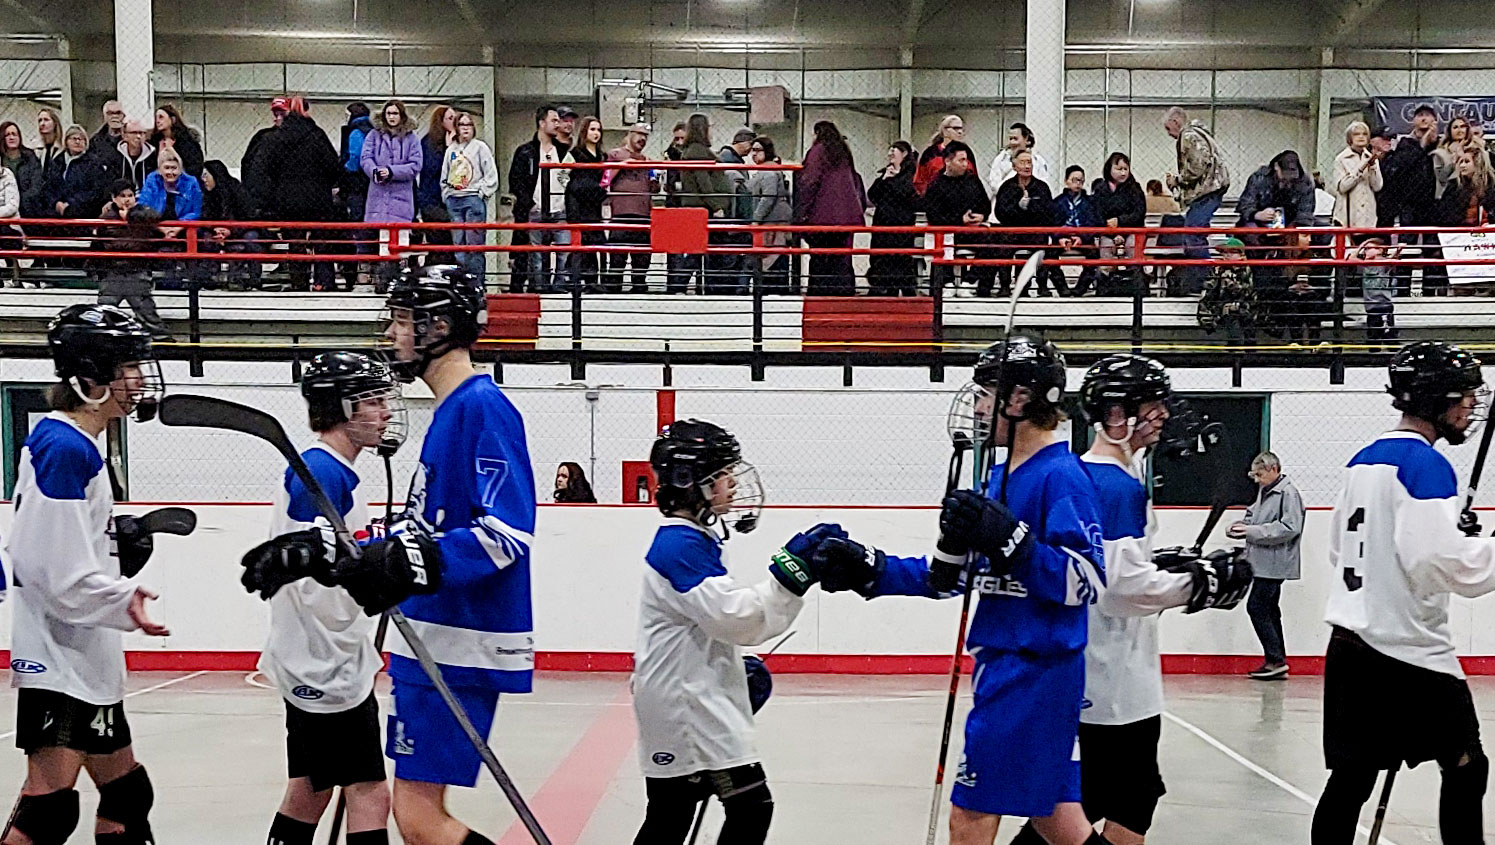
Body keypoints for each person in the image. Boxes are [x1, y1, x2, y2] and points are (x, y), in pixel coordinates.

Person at [242, 264, 532, 845]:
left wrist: (409, 561)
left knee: (418, 819)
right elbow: (422, 535)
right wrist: (322, 552)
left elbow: (507, 534)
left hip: (458, 637)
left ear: (441, 326)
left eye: (404, 320)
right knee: (411, 813)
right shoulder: (449, 413)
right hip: (433, 639)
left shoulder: (482, 408)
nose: (393, 333)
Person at [810, 336, 1112, 845]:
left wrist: (1015, 543)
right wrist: (874, 570)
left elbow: (1086, 579)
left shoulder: (1062, 477)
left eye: (984, 392)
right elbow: (959, 575)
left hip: (1033, 669)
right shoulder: (996, 476)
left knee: (969, 817)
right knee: (1058, 820)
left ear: (1019, 400)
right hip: (1006, 662)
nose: (975, 405)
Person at [1006, 354, 1252, 845]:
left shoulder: (1096, 475)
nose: (1162, 414)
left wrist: (1161, 564)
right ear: (1116, 414)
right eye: (1151, 403)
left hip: (1106, 668)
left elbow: (1109, 565)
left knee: (1132, 797)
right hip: (1112, 677)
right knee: (1098, 798)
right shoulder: (1115, 485)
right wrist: (1197, 585)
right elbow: (1119, 587)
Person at [631, 420, 855, 845]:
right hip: (685, 708)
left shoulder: (690, 540)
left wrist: (728, 675)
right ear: (690, 482)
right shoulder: (681, 547)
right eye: (722, 474)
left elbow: (706, 627)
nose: (733, 482)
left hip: (684, 699)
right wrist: (792, 574)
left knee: (673, 811)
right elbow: (737, 619)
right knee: (747, 807)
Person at [1312, 341, 1495, 845]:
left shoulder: (1362, 460)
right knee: (1466, 765)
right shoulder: (1428, 467)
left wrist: (1449, 534)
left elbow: (1340, 550)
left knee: (1350, 780)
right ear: (1437, 399)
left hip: (1350, 644)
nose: (1469, 408)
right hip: (1408, 649)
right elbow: (1440, 563)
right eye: (1463, 397)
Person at [2, 303, 169, 845]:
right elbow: (50, 570)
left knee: (127, 795)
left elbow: (59, 543)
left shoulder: (72, 442)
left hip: (80, 653)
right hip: (59, 657)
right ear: (91, 378)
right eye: (128, 366)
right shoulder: (66, 448)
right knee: (47, 811)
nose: (140, 378)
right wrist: (123, 598)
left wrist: (114, 542)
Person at [249, 351, 404, 845]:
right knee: (370, 793)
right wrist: (368, 583)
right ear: (341, 406)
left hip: (322, 657)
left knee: (310, 791)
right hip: (323, 663)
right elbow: (307, 578)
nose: (384, 411)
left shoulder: (334, 473)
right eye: (372, 400)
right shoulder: (320, 475)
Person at [1227, 451, 1304, 680]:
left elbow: (1290, 527)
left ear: (1274, 469)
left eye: (1260, 475)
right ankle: (1276, 659)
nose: (1258, 480)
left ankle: (1276, 659)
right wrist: (1241, 526)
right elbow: (1253, 516)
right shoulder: (1266, 492)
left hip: (1275, 563)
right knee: (1270, 610)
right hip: (1262, 561)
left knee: (1257, 607)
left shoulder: (1288, 493)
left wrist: (1251, 531)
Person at [255, 97, 343, 292]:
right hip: (317, 198)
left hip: (287, 200)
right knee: (322, 242)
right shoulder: (317, 135)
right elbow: (333, 167)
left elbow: (264, 170)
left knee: (295, 243)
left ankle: (299, 284)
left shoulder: (275, 138)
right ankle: (324, 282)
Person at [1236, 150, 1317, 340]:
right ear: (1276, 168)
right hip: (1259, 226)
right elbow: (1244, 206)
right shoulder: (1258, 178)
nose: (1288, 180)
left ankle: (1299, 275)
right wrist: (1258, 214)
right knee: (1248, 231)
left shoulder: (1304, 182)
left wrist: (1291, 230)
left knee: (1314, 235)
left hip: (1289, 228)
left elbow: (1306, 215)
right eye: (1285, 174)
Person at [794, 120, 865, 296]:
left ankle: (821, 294)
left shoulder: (818, 152)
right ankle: (843, 293)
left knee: (820, 258)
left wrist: (801, 212)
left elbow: (810, 182)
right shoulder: (844, 153)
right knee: (842, 258)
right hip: (846, 217)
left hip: (822, 216)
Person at [1380, 105, 1445, 296]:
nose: (1424, 120)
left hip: (1434, 205)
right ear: (1413, 120)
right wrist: (1422, 144)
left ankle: (1430, 292)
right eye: (1420, 116)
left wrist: (1432, 143)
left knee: (1432, 248)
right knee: (1406, 247)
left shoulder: (1441, 145)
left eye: (1428, 116)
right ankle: (1402, 291)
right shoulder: (1405, 144)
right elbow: (1400, 167)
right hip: (1409, 204)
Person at [1163, 107, 1230, 293]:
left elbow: (1197, 165)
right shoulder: (1201, 134)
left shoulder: (1188, 136)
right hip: (1213, 187)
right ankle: (1202, 276)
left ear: (1176, 122)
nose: (1169, 134)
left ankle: (1206, 278)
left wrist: (1177, 180)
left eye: (1168, 129)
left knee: (1193, 233)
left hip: (1207, 190)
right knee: (1195, 231)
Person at [94, 185, 173, 339]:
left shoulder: (144, 214)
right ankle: (101, 340)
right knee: (105, 311)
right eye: (122, 196)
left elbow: (155, 219)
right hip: (113, 272)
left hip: (137, 270)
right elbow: (100, 241)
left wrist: (132, 216)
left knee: (146, 312)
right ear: (114, 198)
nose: (127, 199)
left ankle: (164, 341)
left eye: (130, 195)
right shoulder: (107, 218)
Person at [361, 99, 424, 289]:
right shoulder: (373, 136)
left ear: (401, 115)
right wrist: (375, 172)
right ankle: (383, 282)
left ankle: (399, 283)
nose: (392, 117)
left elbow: (415, 165)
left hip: (401, 199)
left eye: (395, 113)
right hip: (379, 196)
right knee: (382, 241)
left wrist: (392, 172)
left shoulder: (412, 139)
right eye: (389, 113)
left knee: (401, 242)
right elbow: (365, 158)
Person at [507, 105, 569, 293]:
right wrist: (529, 203)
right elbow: (515, 181)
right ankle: (538, 287)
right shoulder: (525, 151)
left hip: (559, 209)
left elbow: (568, 177)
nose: (557, 124)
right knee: (535, 254)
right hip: (534, 210)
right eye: (554, 120)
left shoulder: (564, 151)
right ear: (542, 123)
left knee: (563, 251)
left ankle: (559, 285)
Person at [922, 140, 994, 298]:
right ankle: (946, 282)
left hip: (971, 230)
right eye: (961, 160)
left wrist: (980, 216)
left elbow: (985, 205)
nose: (965, 164)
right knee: (942, 241)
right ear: (948, 161)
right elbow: (934, 215)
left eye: (966, 160)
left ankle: (970, 281)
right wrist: (959, 219)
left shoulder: (972, 180)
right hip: (947, 230)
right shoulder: (936, 185)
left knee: (993, 241)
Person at [670, 113, 731, 295]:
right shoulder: (698, 151)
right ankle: (683, 284)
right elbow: (703, 182)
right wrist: (716, 206)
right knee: (699, 249)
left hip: (697, 206)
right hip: (703, 208)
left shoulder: (693, 150)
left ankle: (683, 284)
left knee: (696, 249)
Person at [441, 111, 498, 282]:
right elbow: (445, 175)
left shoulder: (480, 148)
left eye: (469, 125)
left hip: (473, 198)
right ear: (456, 128)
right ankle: (463, 285)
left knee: (474, 246)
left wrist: (481, 193)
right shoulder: (451, 150)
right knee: (459, 246)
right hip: (454, 199)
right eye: (461, 125)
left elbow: (491, 175)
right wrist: (447, 194)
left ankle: (476, 285)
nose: (465, 128)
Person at [992, 149, 1056, 296]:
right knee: (1003, 245)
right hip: (1012, 230)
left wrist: (1030, 208)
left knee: (1043, 246)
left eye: (1029, 162)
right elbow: (1000, 212)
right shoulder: (1007, 187)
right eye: (1023, 162)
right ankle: (1005, 286)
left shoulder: (1042, 187)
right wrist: (1018, 207)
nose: (1027, 166)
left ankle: (1042, 286)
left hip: (1034, 231)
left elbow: (1048, 212)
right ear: (1014, 167)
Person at [603, 122, 654, 294]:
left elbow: (654, 188)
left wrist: (655, 177)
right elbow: (605, 179)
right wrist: (623, 164)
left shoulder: (647, 160)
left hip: (643, 214)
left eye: (645, 136)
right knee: (617, 257)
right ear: (629, 134)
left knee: (642, 259)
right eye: (639, 134)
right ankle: (613, 289)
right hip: (621, 213)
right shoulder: (615, 154)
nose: (642, 139)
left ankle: (639, 287)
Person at [560, 115, 607, 292]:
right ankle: (574, 277)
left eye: (599, 130)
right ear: (584, 132)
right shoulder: (574, 154)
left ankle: (591, 280)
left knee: (595, 241)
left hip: (593, 203)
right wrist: (573, 189)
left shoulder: (602, 156)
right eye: (592, 129)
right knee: (581, 241)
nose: (596, 133)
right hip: (578, 203)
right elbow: (562, 175)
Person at [1090, 152, 1147, 296]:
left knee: (1132, 247)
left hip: (1131, 230)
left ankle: (1135, 286)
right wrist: (1113, 232)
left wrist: (1121, 225)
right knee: (1106, 250)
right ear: (1109, 169)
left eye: (1125, 169)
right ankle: (1105, 287)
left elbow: (1139, 213)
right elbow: (1097, 215)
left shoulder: (1135, 189)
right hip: (1108, 232)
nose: (1122, 172)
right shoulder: (1101, 189)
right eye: (1118, 169)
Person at [199, 159, 262, 290]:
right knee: (205, 238)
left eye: (206, 175)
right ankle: (209, 278)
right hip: (215, 231)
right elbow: (203, 217)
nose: (203, 179)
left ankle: (251, 279)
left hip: (240, 230)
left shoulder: (237, 191)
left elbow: (250, 218)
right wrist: (216, 229)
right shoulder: (206, 195)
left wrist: (231, 231)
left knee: (250, 239)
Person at [866, 140, 918, 296]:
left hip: (901, 224)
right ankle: (881, 285)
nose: (890, 154)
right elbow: (873, 195)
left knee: (901, 257)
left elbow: (909, 196)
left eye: (894, 151)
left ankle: (903, 286)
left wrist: (893, 180)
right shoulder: (886, 173)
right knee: (880, 255)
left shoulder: (912, 174)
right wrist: (884, 179)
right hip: (882, 223)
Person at [746, 135, 792, 295]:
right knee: (773, 258)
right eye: (752, 150)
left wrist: (756, 219)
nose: (754, 154)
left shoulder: (769, 172)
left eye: (758, 150)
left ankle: (772, 292)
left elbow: (768, 196)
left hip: (773, 222)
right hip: (774, 221)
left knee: (773, 258)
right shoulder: (767, 170)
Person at [1048, 165, 1103, 297]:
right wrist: (1060, 237)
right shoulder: (1057, 202)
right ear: (1066, 181)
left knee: (1094, 254)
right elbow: (1052, 223)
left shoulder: (1090, 203)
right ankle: (1062, 288)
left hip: (1083, 238)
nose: (1078, 184)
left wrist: (1082, 237)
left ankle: (1081, 288)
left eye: (1081, 181)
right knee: (1049, 255)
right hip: (1061, 239)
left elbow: (1093, 223)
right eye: (1074, 180)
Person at [1197, 237, 1257, 346]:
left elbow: (1247, 291)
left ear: (1241, 255)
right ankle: (1236, 352)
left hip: (1245, 305)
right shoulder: (1217, 269)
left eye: (1232, 252)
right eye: (1225, 252)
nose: (1227, 255)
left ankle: (1249, 351)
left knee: (1244, 316)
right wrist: (1218, 277)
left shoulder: (1247, 269)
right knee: (1232, 316)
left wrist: (1230, 283)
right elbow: (1209, 291)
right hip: (1221, 306)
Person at [416, 106, 455, 273]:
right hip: (432, 200)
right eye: (450, 118)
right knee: (439, 242)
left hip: (452, 200)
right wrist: (447, 149)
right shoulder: (428, 143)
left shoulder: (459, 143)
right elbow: (433, 169)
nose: (455, 122)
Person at [1331, 121, 1384, 231]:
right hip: (1348, 212)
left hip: (1368, 214)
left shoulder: (1371, 158)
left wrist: (1373, 167)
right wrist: (1360, 169)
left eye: (1364, 134)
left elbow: (1377, 186)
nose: (1361, 137)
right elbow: (1342, 187)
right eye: (1356, 134)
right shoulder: (1341, 159)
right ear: (1350, 138)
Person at [242, 97, 290, 218]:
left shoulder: (265, 137)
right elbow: (247, 164)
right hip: (265, 196)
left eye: (282, 114)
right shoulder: (262, 136)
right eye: (276, 114)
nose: (278, 118)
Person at [1357, 237, 1403, 346]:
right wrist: (1362, 244)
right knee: (1373, 335)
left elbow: (1393, 260)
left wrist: (1398, 250)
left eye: (1370, 248)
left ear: (1380, 250)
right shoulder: (1364, 265)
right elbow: (1351, 259)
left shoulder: (1383, 263)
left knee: (1389, 333)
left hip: (1384, 304)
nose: (1366, 251)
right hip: (1370, 306)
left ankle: (1392, 345)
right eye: (1366, 249)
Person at [988, 122, 1052, 193]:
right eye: (1010, 139)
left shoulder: (1038, 161)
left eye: (1015, 139)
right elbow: (994, 184)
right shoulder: (1001, 159)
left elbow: (1043, 183)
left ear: (1027, 140)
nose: (1012, 142)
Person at [0, 120, 44, 219]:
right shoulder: (1, 160)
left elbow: (36, 185)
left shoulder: (30, 157)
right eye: (7, 135)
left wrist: (20, 202)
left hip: (28, 208)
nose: (11, 137)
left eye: (14, 134)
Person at [914, 114, 966, 196]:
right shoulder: (930, 153)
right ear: (945, 131)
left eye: (961, 128)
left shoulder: (966, 152)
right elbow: (920, 181)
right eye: (955, 128)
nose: (960, 132)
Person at [149, 104, 204, 178]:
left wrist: (172, 151)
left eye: (161, 117)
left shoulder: (186, 141)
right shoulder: (154, 143)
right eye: (156, 118)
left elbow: (195, 167)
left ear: (173, 119)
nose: (157, 121)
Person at [111, 118, 156, 192]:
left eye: (142, 133)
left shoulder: (153, 156)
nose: (138, 136)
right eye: (134, 133)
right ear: (124, 135)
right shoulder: (115, 156)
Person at [35, 107, 64, 198]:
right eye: (40, 120)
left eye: (46, 120)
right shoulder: (37, 150)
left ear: (55, 123)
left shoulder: (63, 149)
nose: (42, 124)